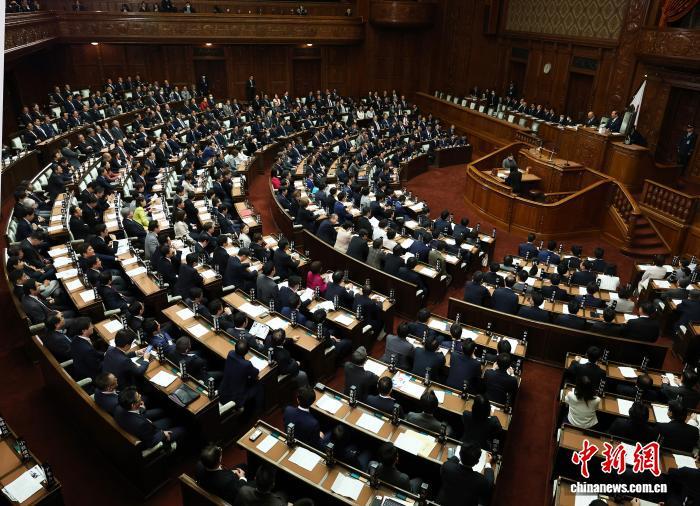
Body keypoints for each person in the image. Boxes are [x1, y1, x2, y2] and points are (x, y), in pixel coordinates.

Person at [114, 386, 185, 448]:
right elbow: (150, 442)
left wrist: (140, 408)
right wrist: (162, 434)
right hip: (152, 434)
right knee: (182, 429)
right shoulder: (141, 424)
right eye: (138, 396)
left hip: (144, 427)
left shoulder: (118, 408)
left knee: (167, 417)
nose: (140, 396)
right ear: (133, 405)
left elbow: (134, 415)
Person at [438, 441, 494, 506]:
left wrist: (457, 456)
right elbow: (489, 483)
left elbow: (449, 463)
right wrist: (487, 463)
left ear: (460, 454)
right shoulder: (480, 481)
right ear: (477, 462)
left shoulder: (447, 467)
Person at [219, 340, 263, 414]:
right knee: (259, 385)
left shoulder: (230, 353)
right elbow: (256, 372)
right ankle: (258, 412)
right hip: (234, 398)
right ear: (247, 352)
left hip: (223, 392)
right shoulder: (246, 365)